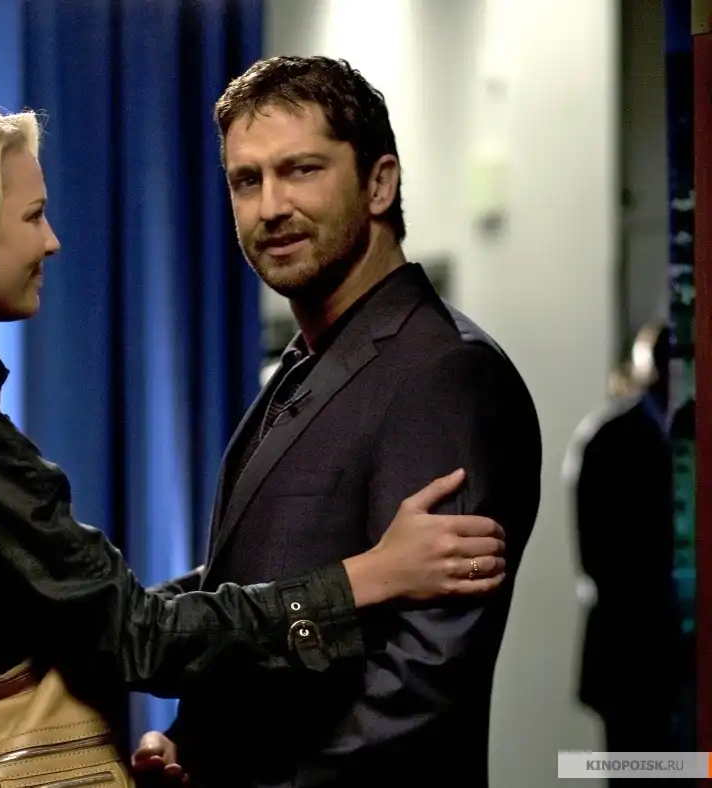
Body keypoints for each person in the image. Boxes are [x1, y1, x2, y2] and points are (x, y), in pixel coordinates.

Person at [0, 99, 508, 761]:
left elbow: (82, 615)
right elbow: (136, 635)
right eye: (33, 217)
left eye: (301, 171)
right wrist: (364, 579)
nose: (53, 242)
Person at [134, 56, 543, 787]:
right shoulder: (308, 363)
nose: (270, 206)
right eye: (246, 180)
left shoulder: (444, 372)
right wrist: (194, 739)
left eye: (301, 170)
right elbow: (264, 575)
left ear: (379, 184)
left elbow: (421, 680)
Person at [566, 323, 682, 758]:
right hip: (634, 654)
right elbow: (602, 560)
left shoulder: (622, 436)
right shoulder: (613, 441)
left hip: (653, 653)